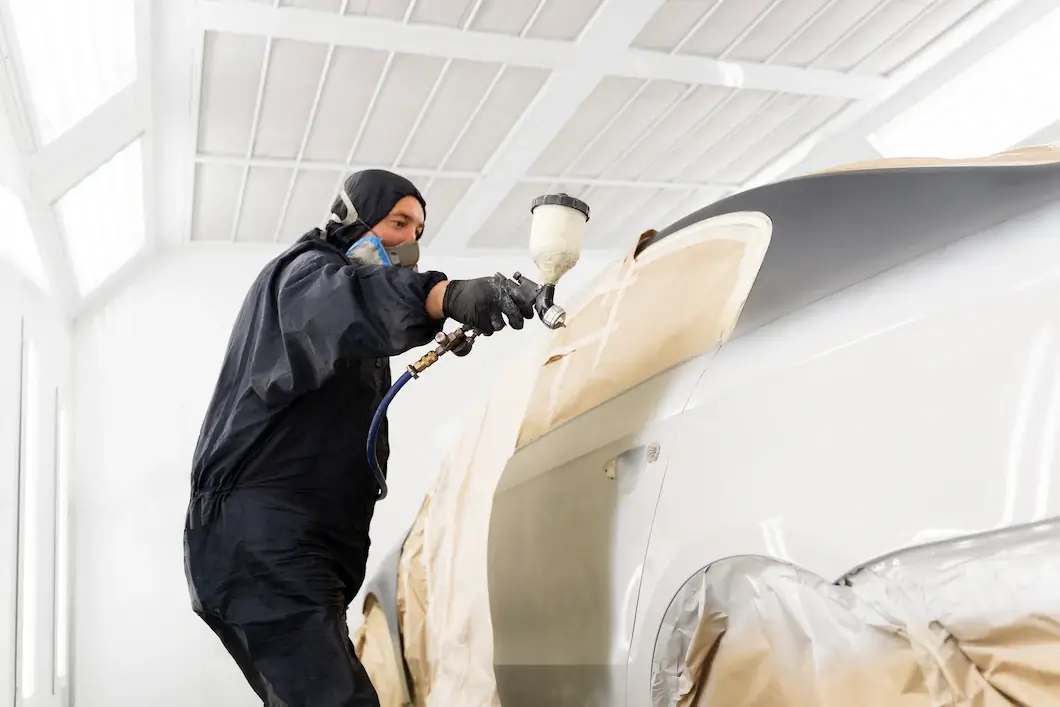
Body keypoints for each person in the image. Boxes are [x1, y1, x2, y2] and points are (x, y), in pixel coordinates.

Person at [182, 169, 535, 706]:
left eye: (417, 230)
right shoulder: (304, 276)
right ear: (351, 218)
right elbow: (349, 304)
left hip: (290, 547)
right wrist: (446, 296)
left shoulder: (339, 310)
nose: (408, 241)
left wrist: (438, 316)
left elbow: (366, 315)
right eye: (398, 222)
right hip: (262, 543)